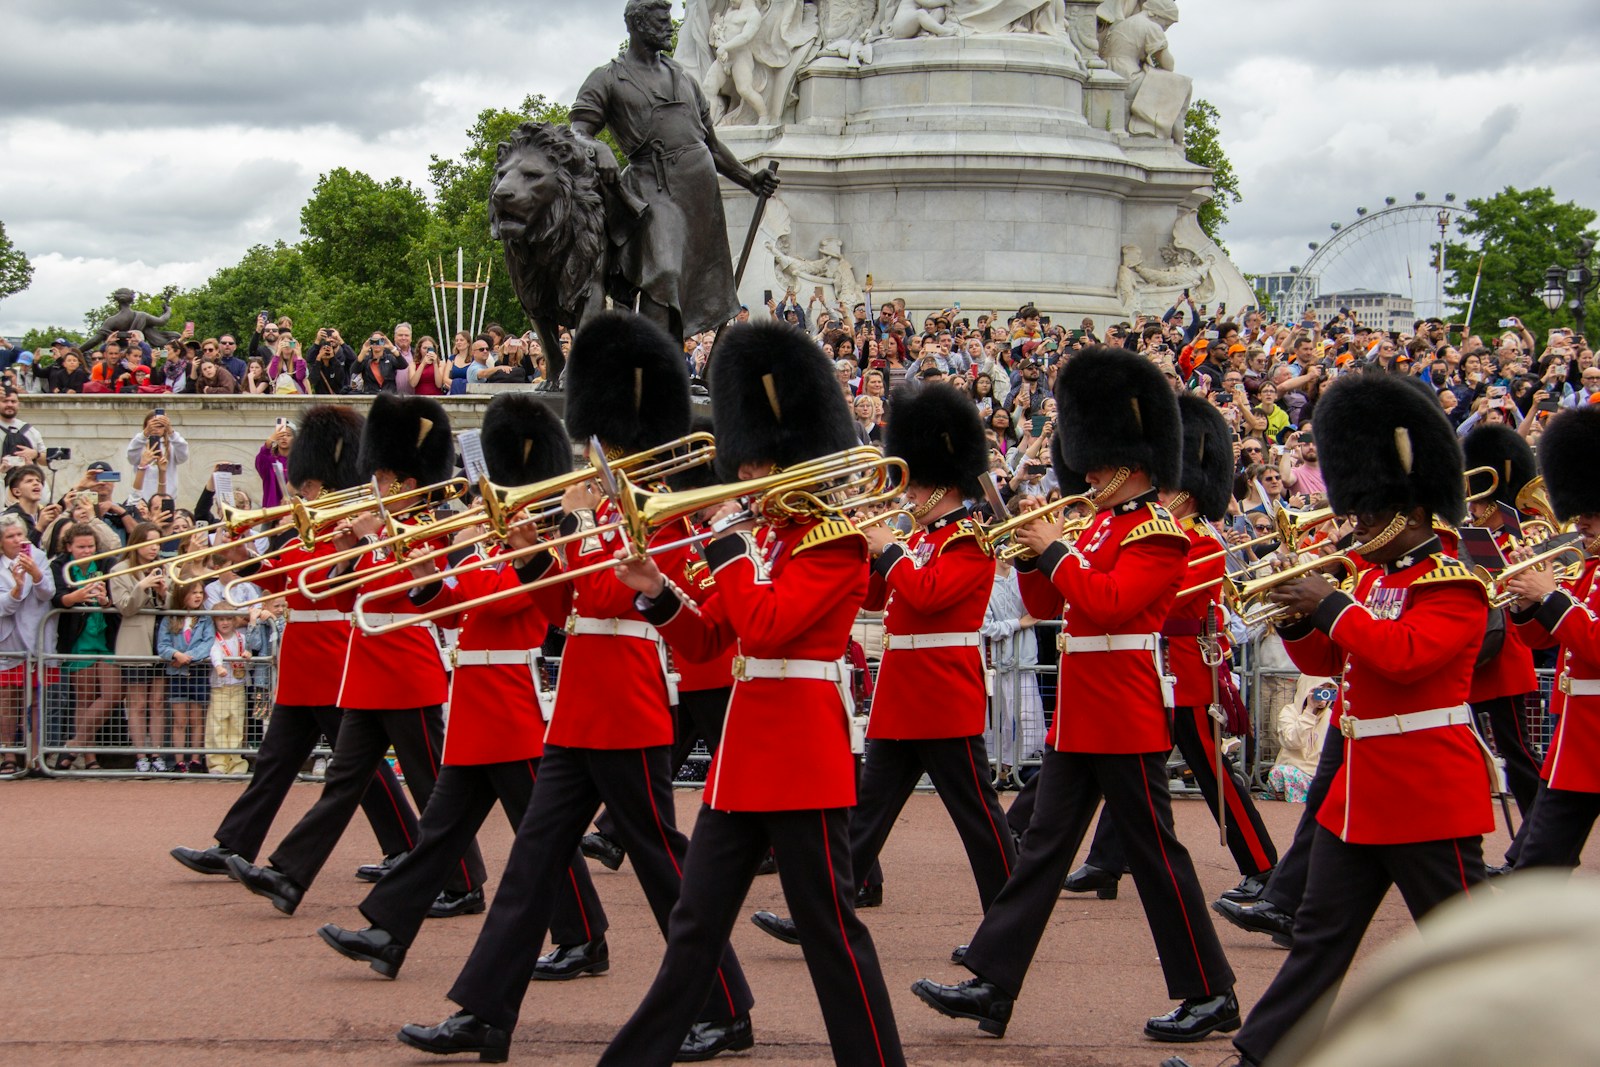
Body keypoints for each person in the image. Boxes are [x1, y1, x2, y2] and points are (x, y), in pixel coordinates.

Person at [398, 313, 754, 1064]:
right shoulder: (587, 514)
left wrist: (584, 532)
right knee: (530, 865)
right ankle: (484, 1012)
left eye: (610, 451)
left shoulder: (658, 519)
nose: (598, 463)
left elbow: (664, 606)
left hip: (626, 706)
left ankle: (725, 1007)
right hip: (577, 713)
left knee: (663, 867)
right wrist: (534, 557)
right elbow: (562, 612)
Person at [597, 319, 905, 1066]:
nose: (747, 476)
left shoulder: (831, 543)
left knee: (831, 932)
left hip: (801, 759)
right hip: (744, 760)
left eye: (760, 461)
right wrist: (659, 595)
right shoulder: (767, 540)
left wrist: (728, 538)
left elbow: (766, 629)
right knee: (695, 925)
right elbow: (712, 642)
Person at [1165, 372, 1495, 1067]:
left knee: (1462, 948)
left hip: (1427, 792)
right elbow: (1335, 663)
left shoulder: (1455, 585)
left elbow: (1402, 656)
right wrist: (1297, 615)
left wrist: (1330, 605)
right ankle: (1258, 1057)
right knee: (1319, 937)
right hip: (1362, 794)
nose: (1358, 524)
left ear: (1411, 511)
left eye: (1371, 513)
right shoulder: (1373, 581)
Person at [912, 347, 1238, 1044]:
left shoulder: (1161, 534)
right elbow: (1054, 601)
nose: (1084, 472)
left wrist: (1056, 550)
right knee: (1040, 852)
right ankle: (993, 983)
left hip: (1123, 711)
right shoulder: (1097, 524)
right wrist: (1034, 558)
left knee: (1155, 857)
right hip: (1082, 712)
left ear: (1133, 460)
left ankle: (1211, 992)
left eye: (1096, 460)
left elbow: (1111, 602)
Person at [318, 395, 609, 982]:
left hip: (509, 702)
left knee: (540, 835)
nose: (485, 503)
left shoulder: (541, 546)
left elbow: (504, 600)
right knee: (439, 832)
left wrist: (472, 556)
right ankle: (388, 933)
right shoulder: (498, 545)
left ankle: (584, 940)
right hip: (478, 702)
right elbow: (457, 615)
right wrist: (427, 575)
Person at [748, 382, 1015, 950]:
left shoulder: (969, 540)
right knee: (864, 813)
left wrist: (887, 549)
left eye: (912, 485)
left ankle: (1011, 922)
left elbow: (926, 595)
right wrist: (866, 552)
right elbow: (878, 600)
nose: (906, 495)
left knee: (980, 824)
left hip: (943, 697)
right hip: (902, 694)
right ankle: (825, 907)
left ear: (936, 482)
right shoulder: (920, 538)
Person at [227, 396, 486, 915]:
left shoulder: (418, 532)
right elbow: (325, 587)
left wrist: (373, 538)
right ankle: (288, 876)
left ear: (408, 485)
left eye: (385, 480)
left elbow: (418, 594)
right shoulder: (371, 532)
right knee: (342, 783)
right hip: (367, 671)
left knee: (432, 783)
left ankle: (465, 883)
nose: (375, 487)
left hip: (407, 671)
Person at [170, 406, 419, 883]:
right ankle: (233, 844)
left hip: (334, 653)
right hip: (302, 656)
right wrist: (240, 557)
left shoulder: (354, 526)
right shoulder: (307, 528)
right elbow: (282, 577)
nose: (300, 493)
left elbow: (335, 585)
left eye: (306, 485)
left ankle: (405, 845)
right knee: (274, 763)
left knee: (359, 768)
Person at [568, 0, 780, 340]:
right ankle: (655, 372)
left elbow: (710, 143)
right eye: (661, 19)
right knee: (662, 273)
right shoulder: (608, 78)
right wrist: (599, 148)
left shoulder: (683, 78)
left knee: (694, 287)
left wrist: (750, 179)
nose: (670, 26)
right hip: (653, 187)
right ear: (637, 24)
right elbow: (577, 131)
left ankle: (668, 370)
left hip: (699, 192)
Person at [1503, 404, 1600, 870]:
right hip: (1577, 739)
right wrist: (1528, 601)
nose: (1579, 519)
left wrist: (1553, 597)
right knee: (1538, 862)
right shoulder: (1589, 567)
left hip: (1590, 736)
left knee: (1539, 862)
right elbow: (1549, 643)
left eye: (1591, 511)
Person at [1461, 424, 1544, 859]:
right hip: (1472, 652)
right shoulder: (1469, 526)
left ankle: (1537, 845)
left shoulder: (1521, 528)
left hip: (1506, 653)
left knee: (1520, 758)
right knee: (1468, 755)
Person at [49, 523, 120, 771]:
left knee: (112, 694)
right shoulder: (59, 565)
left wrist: (104, 600)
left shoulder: (105, 563)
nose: (87, 551)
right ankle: (89, 757)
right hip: (78, 638)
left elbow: (114, 597)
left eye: (90, 546)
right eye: (81, 547)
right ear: (69, 547)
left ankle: (74, 744)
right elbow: (58, 598)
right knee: (85, 698)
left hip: (104, 635)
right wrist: (77, 597)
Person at [110, 523, 168, 772]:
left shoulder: (164, 566)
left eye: (158, 542)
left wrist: (165, 592)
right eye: (149, 542)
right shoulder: (119, 569)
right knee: (137, 702)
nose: (155, 547)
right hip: (135, 641)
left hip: (160, 638)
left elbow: (173, 604)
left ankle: (157, 755)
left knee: (157, 702)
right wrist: (141, 586)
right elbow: (125, 607)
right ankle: (141, 756)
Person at [0, 514, 54, 772]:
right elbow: (4, 607)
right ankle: (9, 753)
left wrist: (36, 575)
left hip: (36, 637)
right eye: (10, 536)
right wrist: (16, 588)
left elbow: (48, 593)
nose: (16, 540)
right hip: (8, 641)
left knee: (36, 701)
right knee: (8, 701)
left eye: (19, 535)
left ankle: (34, 756)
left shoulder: (39, 557)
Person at [1268, 676, 1336, 803]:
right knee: (1278, 773)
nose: (1324, 694)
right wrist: (1309, 711)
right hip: (1293, 769)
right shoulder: (1289, 712)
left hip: (1319, 773)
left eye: (1328, 689)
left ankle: (1309, 795)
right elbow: (1293, 742)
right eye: (1320, 689)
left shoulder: (1330, 716)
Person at [125, 410, 189, 504]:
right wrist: (144, 434)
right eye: (152, 425)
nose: (156, 429)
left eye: (160, 426)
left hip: (166, 497)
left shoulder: (172, 445)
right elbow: (131, 457)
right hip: (142, 500)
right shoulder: (140, 443)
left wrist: (171, 432)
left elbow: (183, 456)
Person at [5, 464, 61, 548]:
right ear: (17, 492)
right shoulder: (10, 518)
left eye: (38, 481)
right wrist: (39, 528)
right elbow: (17, 550)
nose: (36, 483)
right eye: (29, 481)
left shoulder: (44, 514)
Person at [0, 389, 44, 469]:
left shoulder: (30, 430)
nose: (9, 404)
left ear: (18, 404)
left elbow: (47, 460)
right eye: (5, 401)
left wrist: (35, 454)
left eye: (13, 401)